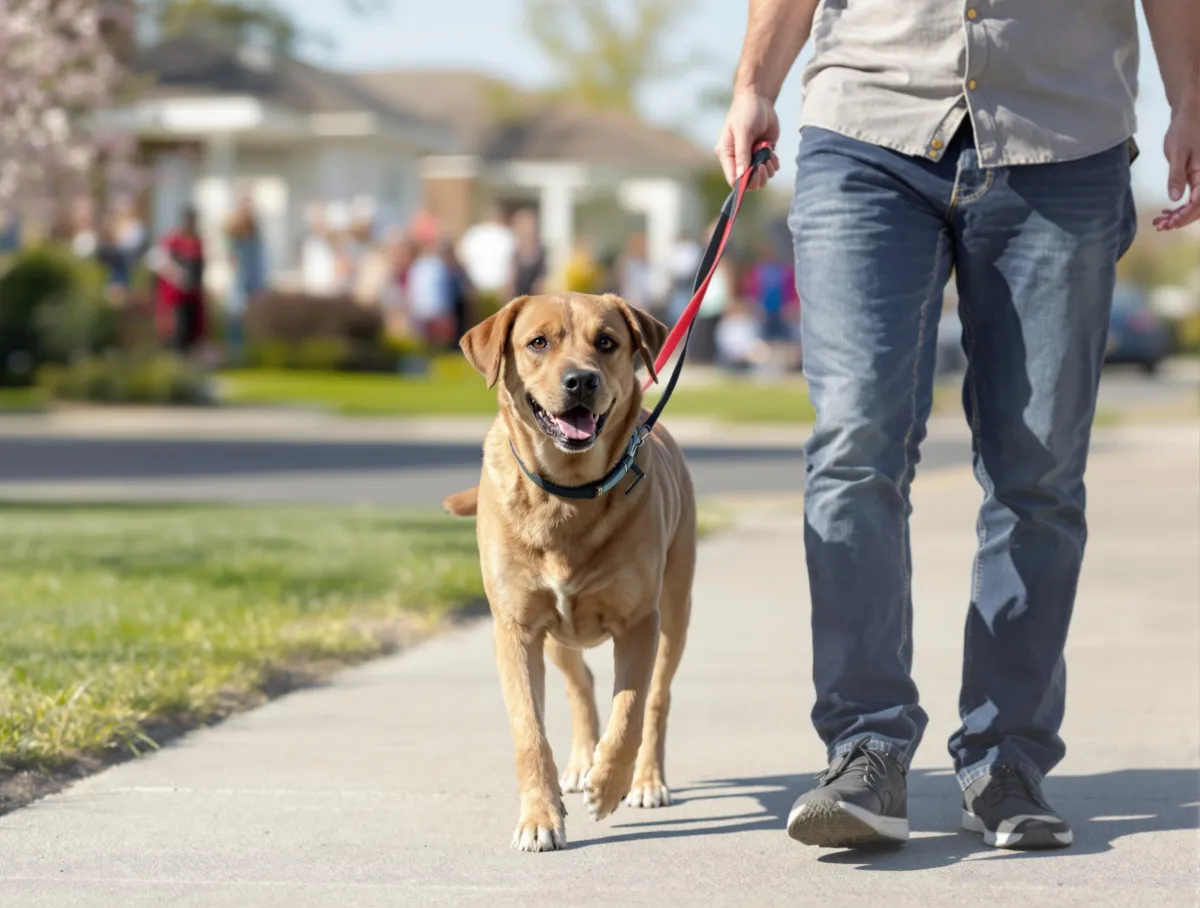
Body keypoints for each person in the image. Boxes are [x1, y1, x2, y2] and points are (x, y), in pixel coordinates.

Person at [717, 0, 1200, 852]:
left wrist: (1191, 95)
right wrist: (754, 80)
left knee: (1038, 473)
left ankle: (1005, 757)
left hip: (1061, 132)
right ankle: (865, 747)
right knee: (854, 444)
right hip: (868, 118)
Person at [147, 206, 206, 354]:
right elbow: (157, 261)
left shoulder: (197, 241)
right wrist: (178, 275)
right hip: (175, 296)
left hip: (193, 296)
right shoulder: (173, 240)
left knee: (192, 334)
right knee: (177, 332)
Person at [225, 192, 266, 361]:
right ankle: (235, 353)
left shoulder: (255, 231)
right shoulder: (234, 228)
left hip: (253, 277)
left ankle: (250, 352)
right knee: (236, 315)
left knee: (253, 315)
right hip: (240, 279)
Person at [458, 204, 516, 300]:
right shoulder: (505, 234)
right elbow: (513, 262)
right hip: (497, 287)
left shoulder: (472, 233)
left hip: (479, 286)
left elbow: (462, 259)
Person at [508, 208, 547, 298]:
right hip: (518, 292)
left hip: (536, 294)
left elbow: (544, 273)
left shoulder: (540, 250)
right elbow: (512, 272)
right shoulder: (515, 250)